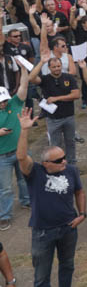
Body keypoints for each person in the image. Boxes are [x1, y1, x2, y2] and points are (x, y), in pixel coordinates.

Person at [17, 107, 86, 287]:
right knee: (41, 276)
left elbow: (79, 191)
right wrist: (24, 130)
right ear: (46, 163)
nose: (64, 161)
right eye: (58, 160)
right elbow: (22, 157)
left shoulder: (71, 170)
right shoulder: (35, 173)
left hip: (68, 228)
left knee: (67, 265)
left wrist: (82, 214)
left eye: (63, 157)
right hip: (43, 232)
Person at [0, 63, 29, 230]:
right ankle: (4, 216)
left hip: (19, 150)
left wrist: (24, 69)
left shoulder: (14, 103)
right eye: (1, 102)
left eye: (4, 100)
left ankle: (26, 201)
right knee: (5, 188)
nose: (3, 104)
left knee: (24, 178)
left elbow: (24, 86)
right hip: (2, 156)